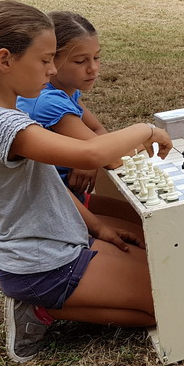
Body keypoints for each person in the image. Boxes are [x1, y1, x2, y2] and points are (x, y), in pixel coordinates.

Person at [0, 0, 172, 363]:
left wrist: (96, 226)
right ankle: (40, 309)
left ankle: (61, 292)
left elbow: (48, 184)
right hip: (41, 265)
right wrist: (147, 128)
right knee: (171, 304)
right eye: (45, 60)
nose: (52, 69)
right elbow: (93, 155)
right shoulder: (0, 123)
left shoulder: (7, 112)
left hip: (62, 245)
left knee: (167, 285)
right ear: (4, 60)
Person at [16, 11, 139, 224]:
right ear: (51, 61)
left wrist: (89, 160)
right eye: (81, 61)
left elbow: (99, 134)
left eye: (97, 57)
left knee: (146, 222)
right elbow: (111, 156)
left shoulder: (66, 90)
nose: (93, 68)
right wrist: (145, 133)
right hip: (54, 213)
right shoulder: (48, 102)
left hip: (73, 200)